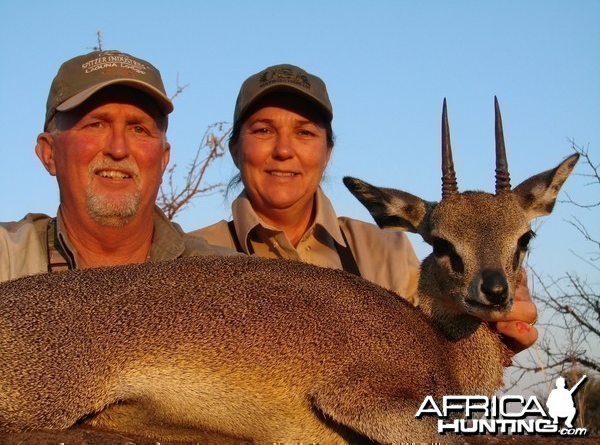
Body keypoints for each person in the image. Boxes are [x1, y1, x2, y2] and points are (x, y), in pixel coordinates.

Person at [192, 63, 538, 353]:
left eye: (305, 133)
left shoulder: (386, 252)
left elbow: (429, 360)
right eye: (264, 130)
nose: (284, 150)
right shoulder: (190, 257)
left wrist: (490, 337)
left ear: (328, 153)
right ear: (235, 149)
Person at [0, 49, 233, 283]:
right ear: (49, 153)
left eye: (138, 129)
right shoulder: (6, 259)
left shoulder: (229, 277)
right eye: (96, 125)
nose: (118, 149)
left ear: (163, 160)